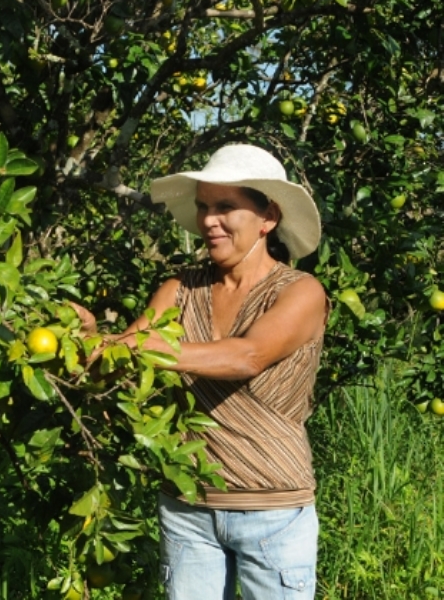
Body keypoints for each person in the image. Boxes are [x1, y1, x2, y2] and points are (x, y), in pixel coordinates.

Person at [75, 144, 328, 599]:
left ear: (267, 216)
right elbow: (117, 370)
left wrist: (143, 346)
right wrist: (94, 344)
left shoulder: (300, 292)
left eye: (225, 207)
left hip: (271, 510)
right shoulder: (179, 290)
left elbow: (246, 357)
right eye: (203, 207)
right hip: (187, 507)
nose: (208, 220)